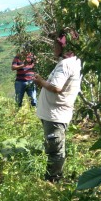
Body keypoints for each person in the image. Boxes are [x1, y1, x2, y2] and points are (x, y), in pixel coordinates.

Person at [32, 30, 82, 183]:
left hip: (55, 115)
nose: (53, 47)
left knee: (55, 151)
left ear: (64, 48)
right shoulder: (74, 61)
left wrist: (40, 81)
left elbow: (56, 87)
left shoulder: (65, 65)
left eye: (55, 44)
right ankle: (53, 178)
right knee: (54, 147)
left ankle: (53, 181)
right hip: (54, 114)